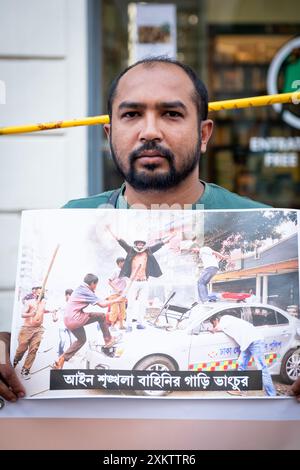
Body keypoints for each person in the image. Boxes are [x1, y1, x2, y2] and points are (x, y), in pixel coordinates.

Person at [0, 56, 299, 400]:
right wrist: (5, 345)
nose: (150, 131)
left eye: (172, 114)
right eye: (131, 114)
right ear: (110, 135)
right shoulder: (68, 218)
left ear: (203, 135)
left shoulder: (259, 217)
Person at [105, 224, 175, 330]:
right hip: (133, 282)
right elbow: (120, 241)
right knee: (131, 303)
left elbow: (160, 244)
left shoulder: (148, 251)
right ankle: (128, 325)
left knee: (142, 304)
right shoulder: (131, 251)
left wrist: (172, 235)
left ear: (144, 245)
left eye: (142, 243)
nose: (140, 245)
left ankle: (139, 323)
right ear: (135, 244)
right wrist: (110, 230)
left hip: (144, 281)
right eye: (138, 243)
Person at [53, 273, 124, 369]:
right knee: (101, 316)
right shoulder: (86, 291)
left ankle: (61, 359)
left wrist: (109, 299)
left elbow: (99, 300)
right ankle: (108, 340)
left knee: (81, 340)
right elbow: (102, 304)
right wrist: (117, 300)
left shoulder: (80, 288)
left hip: (68, 320)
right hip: (75, 318)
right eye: (96, 284)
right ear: (92, 283)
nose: (96, 287)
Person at [209, 314, 276, 397]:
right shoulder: (227, 324)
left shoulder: (224, 318)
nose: (214, 325)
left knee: (262, 369)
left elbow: (218, 327)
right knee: (241, 365)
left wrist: (212, 329)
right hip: (246, 343)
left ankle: (272, 395)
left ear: (216, 320)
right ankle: (240, 389)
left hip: (255, 341)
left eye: (213, 323)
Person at [13, 287, 56, 379]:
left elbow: (42, 310)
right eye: (40, 293)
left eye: (43, 293)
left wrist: (50, 311)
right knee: (21, 349)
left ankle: (25, 370)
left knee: (34, 349)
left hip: (38, 329)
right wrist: (31, 314)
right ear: (36, 294)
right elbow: (22, 314)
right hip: (26, 329)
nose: (42, 295)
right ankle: (15, 360)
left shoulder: (44, 303)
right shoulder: (30, 303)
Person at [107, 258, 127, 330]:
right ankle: (112, 326)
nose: (124, 264)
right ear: (118, 263)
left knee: (122, 310)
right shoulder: (115, 271)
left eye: (124, 262)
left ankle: (121, 325)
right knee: (114, 310)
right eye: (122, 262)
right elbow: (109, 281)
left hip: (122, 295)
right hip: (114, 294)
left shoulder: (126, 272)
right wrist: (116, 289)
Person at [52, 288, 74, 356]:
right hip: (62, 324)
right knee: (63, 340)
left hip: (71, 324)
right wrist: (54, 318)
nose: (72, 297)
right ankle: (60, 352)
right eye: (70, 295)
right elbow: (54, 311)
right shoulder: (61, 303)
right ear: (67, 295)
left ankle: (71, 353)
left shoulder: (73, 303)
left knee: (73, 340)